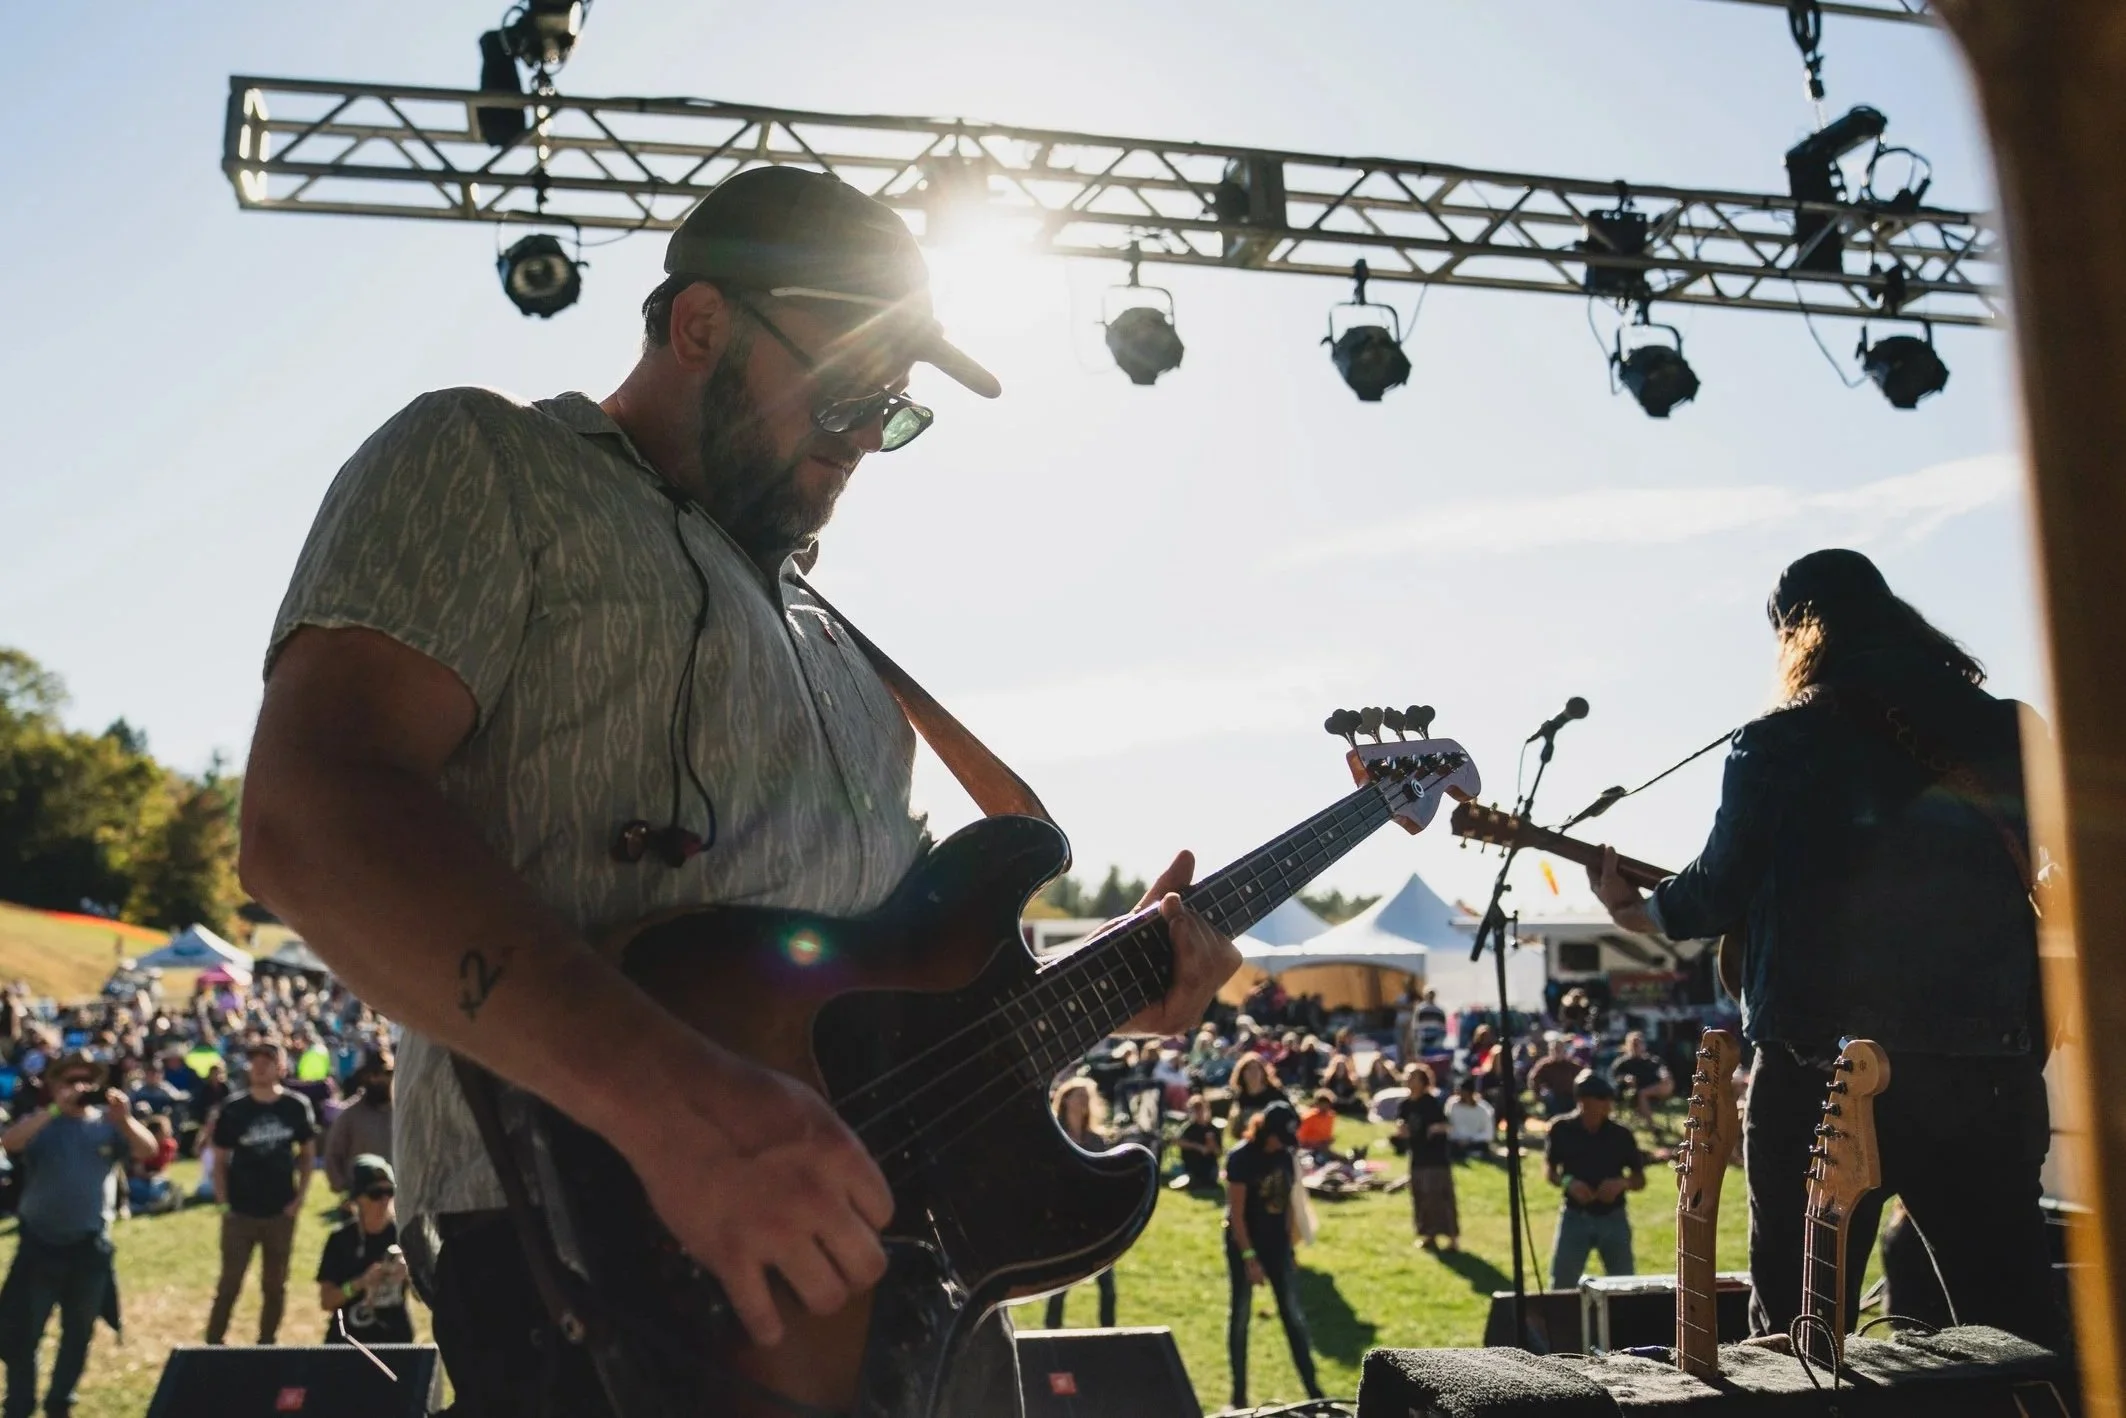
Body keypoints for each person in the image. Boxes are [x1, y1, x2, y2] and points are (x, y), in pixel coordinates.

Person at [238, 165, 1238, 1418]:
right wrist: (673, 1103)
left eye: (895, 412)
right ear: (699, 324)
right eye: (847, 391)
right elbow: (309, 814)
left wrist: (1091, 993)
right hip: (599, 1261)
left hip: (906, 1279)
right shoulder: (488, 457)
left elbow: (886, 997)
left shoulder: (842, 649)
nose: (869, 435)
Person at [1588, 548, 2060, 1348]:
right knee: (2014, 1326)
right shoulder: (2010, 728)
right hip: (1988, 1072)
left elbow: (1715, 890)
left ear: (1796, 633)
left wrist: (1636, 913)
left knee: (1804, 1337)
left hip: (1821, 1073)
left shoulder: (1780, 740)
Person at [0, 1053, 156, 1418]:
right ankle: (19, 1405)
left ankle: (61, 1402)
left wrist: (126, 1119)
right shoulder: (43, 1124)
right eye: (69, 1080)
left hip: (89, 1248)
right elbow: (9, 1143)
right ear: (53, 1085)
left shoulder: (107, 1125)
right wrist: (54, 1109)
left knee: (78, 1333)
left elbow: (147, 1150)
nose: (79, 1087)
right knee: (24, 1334)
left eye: (86, 1080)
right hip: (40, 1245)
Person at [205, 1041, 318, 1346]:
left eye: (267, 1060)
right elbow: (218, 1159)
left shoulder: (295, 1106)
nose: (260, 1066)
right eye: (254, 1060)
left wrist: (300, 1198)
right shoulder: (234, 1108)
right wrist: (223, 1203)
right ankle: (213, 1344)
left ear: (281, 1067)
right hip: (240, 1211)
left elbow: (308, 1154)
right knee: (230, 1283)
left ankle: (267, 1342)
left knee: (275, 1284)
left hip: (280, 1211)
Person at [1222, 1101, 1322, 1408]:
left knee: (1294, 1316)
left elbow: (1290, 1204)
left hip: (1277, 1244)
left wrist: (1289, 1248)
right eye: (1279, 1136)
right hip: (1245, 1244)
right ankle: (1238, 1397)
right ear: (1264, 1130)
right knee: (1240, 1317)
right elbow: (1236, 1215)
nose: (1282, 1143)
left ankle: (1314, 1392)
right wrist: (1249, 1258)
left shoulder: (1285, 1155)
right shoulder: (1240, 1158)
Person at [1543, 1072, 1644, 1288]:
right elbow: (1550, 1171)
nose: (1608, 1104)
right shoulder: (1561, 1129)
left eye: (1609, 1099)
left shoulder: (1621, 1134)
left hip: (1613, 1218)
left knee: (1625, 1284)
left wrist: (1621, 1184)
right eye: (1602, 1099)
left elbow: (1639, 1179)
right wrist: (1569, 1183)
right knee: (1562, 1284)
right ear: (1583, 1101)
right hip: (1575, 1217)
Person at [1042, 1080, 1117, 1329]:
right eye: (1079, 1096)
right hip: (1065, 1220)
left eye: (1088, 1098)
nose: (1084, 1102)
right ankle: (1050, 1337)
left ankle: (1109, 1335)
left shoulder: (1096, 1141)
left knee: (1108, 1288)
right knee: (1060, 1286)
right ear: (1065, 1100)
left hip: (1094, 1221)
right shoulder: (1053, 1136)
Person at [317, 1155, 415, 1345]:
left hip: (395, 1340)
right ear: (358, 1199)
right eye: (376, 1193)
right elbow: (326, 1301)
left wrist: (410, 1274)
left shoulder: (404, 1236)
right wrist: (360, 1283)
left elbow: (428, 1297)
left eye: (390, 1191)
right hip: (348, 1340)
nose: (385, 1200)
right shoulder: (340, 1239)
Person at [1395, 1064, 1457, 1250]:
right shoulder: (1404, 1105)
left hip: (1436, 1158)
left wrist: (1435, 1129)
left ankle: (1452, 1238)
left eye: (1414, 1077)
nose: (1409, 1080)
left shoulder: (1432, 1103)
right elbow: (1403, 1126)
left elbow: (1446, 1125)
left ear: (1423, 1082)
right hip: (1417, 1156)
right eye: (1408, 1076)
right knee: (1421, 1197)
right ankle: (1428, 1235)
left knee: (1440, 1197)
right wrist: (1401, 1130)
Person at [320, 1050, 393, 1195]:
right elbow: (332, 1154)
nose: (379, 1080)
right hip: (364, 1193)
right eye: (375, 1075)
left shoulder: (404, 1113)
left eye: (387, 1074)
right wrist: (341, 1186)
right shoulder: (350, 1115)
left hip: (400, 1193)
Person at [1608, 1031, 1674, 1124]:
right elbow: (1615, 1076)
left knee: (1666, 1083)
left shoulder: (1652, 1061)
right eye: (1634, 1044)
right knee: (1642, 1094)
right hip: (1633, 1092)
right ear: (1628, 1046)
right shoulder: (1623, 1062)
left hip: (1653, 1090)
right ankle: (1652, 1126)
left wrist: (1664, 1075)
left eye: (1639, 1044)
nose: (1637, 1047)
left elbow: (1662, 1070)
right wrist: (1625, 1078)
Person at [1527, 1035, 1583, 1119]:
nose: (1556, 1052)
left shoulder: (1572, 1065)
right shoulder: (1544, 1065)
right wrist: (1537, 1093)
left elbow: (1584, 1075)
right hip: (1554, 1096)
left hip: (1570, 1096)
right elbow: (1534, 1079)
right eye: (1554, 1050)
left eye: (1559, 1050)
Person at [1174, 1094, 1221, 1191]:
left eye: (1201, 1110)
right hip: (1191, 1165)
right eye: (1196, 1110)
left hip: (1209, 1166)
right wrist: (1197, 1146)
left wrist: (1212, 1145)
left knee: (1210, 1179)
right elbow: (1177, 1141)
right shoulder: (1189, 1128)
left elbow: (1218, 1152)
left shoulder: (1213, 1129)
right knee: (1190, 1179)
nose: (1199, 1113)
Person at [1444, 1076, 1496, 1160]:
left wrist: (1470, 1140)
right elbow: (1448, 1126)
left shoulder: (1484, 1109)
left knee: (1482, 1147)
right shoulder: (1452, 1105)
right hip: (1456, 1142)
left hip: (1475, 1142)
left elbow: (1488, 1134)